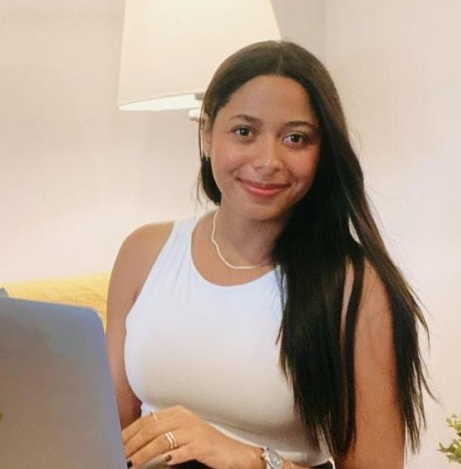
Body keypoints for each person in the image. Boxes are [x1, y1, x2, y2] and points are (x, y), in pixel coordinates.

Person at [106, 40, 430, 469]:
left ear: (322, 152)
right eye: (245, 132)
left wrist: (247, 457)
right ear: (207, 133)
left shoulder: (355, 287)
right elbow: (106, 432)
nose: (267, 160)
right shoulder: (144, 253)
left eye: (296, 138)